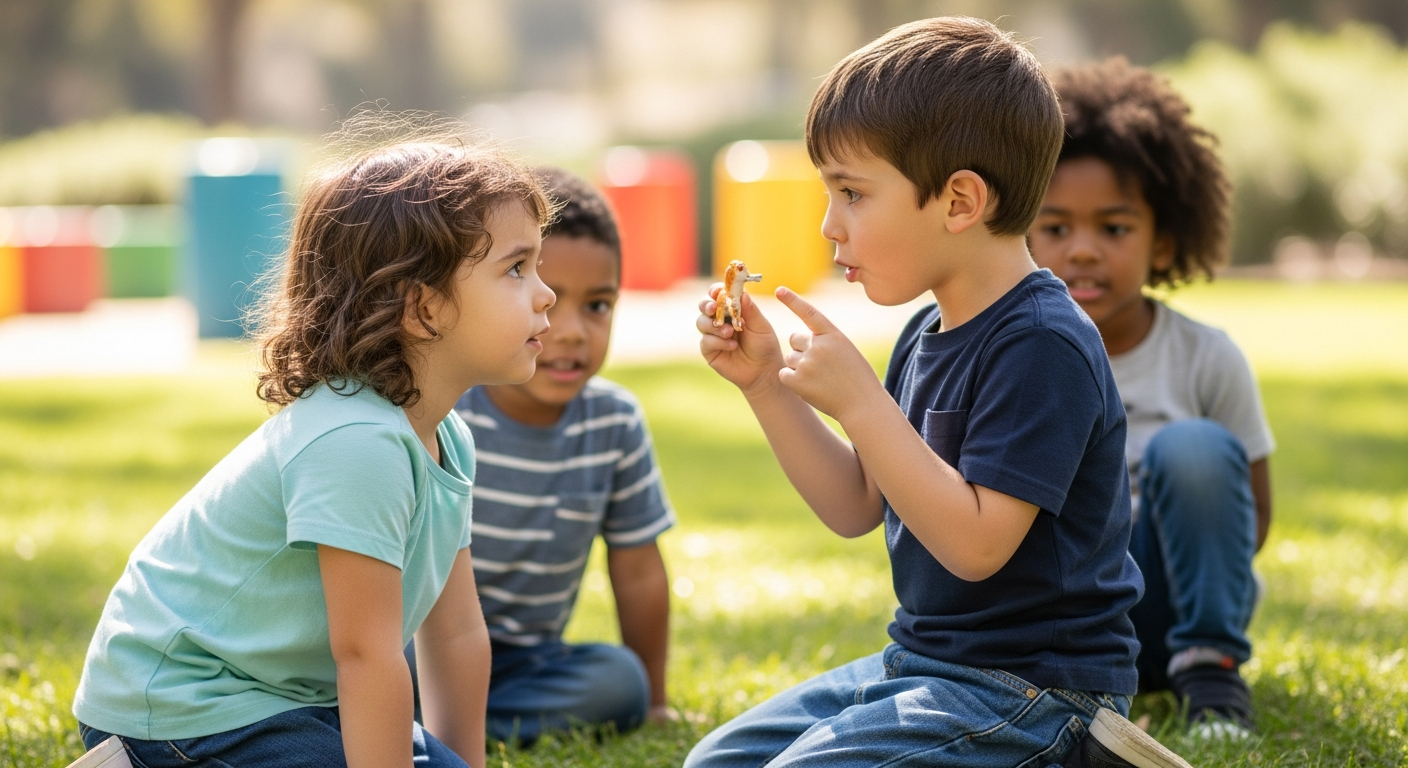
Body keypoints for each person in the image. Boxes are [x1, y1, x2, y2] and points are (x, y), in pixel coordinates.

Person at [686, 17, 1191, 768]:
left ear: (959, 202)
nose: (829, 226)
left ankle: (1083, 755)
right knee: (715, 762)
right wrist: (766, 384)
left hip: (1037, 691)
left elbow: (977, 547)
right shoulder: (925, 332)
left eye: (852, 193)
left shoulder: (1043, 343)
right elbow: (856, 505)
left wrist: (862, 402)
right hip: (923, 665)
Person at [70, 127, 557, 768]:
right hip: (188, 706)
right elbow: (366, 656)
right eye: (516, 268)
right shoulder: (357, 442)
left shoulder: (449, 438)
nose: (546, 293)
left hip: (293, 699)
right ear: (422, 309)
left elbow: (457, 633)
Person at [1030, 57, 1274, 736]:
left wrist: (1192, 568)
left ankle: (1212, 672)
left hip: (1171, 613)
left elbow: (1253, 514)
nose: (1083, 251)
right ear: (1019, 232)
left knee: (1194, 446)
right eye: (1056, 228)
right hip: (1058, 628)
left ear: (1163, 243)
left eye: (1114, 229)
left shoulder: (1205, 357)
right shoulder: (1015, 357)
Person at [408, 168, 674, 744]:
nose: (571, 331)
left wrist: (655, 701)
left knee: (617, 683)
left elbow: (638, 571)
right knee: (392, 659)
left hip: (527, 665)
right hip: (422, 642)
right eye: (545, 298)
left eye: (598, 305)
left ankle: (435, 724)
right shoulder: (448, 408)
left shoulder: (614, 422)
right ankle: (411, 714)